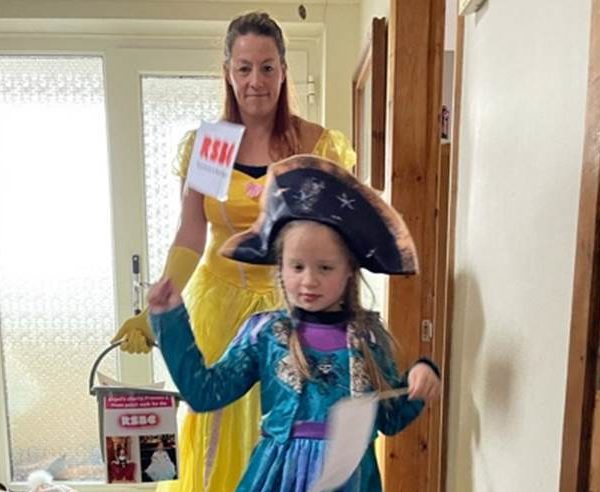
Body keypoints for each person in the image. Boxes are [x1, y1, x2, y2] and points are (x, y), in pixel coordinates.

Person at [110, 10, 357, 491]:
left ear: (283, 70)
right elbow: (190, 234)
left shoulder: (315, 145)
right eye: (244, 68)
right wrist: (153, 307)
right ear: (228, 72)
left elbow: (340, 240)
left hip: (296, 311)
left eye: (267, 67)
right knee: (218, 431)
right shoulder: (214, 146)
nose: (256, 81)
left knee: (296, 430)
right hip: (219, 309)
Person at [147, 155, 441, 491]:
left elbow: (389, 419)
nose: (309, 281)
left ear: (348, 271)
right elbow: (205, 393)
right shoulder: (265, 333)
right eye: (297, 267)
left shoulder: (368, 340)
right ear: (280, 268)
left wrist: (420, 377)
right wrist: (170, 320)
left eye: (325, 268)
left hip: (350, 480)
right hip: (277, 477)